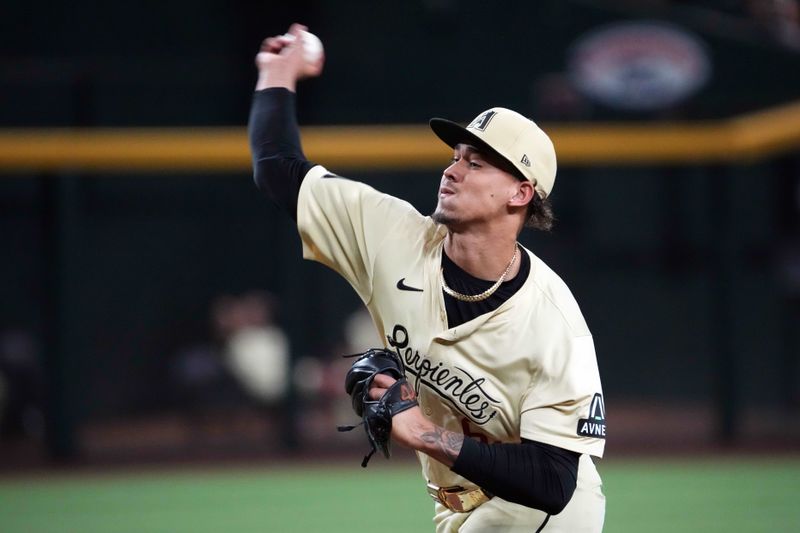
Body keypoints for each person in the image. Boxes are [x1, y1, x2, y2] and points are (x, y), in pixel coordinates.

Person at [249, 24, 606, 533]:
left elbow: (552, 480)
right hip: (454, 506)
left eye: (476, 163)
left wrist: (420, 432)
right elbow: (276, 168)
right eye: (455, 157)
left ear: (521, 194)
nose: (452, 171)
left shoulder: (554, 322)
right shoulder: (392, 236)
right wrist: (277, 73)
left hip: (542, 514)